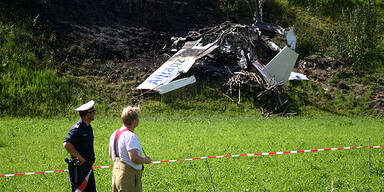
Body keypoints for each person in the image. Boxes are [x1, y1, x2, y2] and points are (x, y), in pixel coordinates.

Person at [109, 106, 151, 192]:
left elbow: (111, 154)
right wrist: (145, 160)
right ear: (134, 120)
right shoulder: (130, 136)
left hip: (116, 174)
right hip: (128, 177)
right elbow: (134, 158)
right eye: (138, 118)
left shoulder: (114, 133)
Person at [64, 100, 97, 192]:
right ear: (87, 115)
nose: (94, 113)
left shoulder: (89, 127)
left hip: (88, 167)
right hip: (79, 168)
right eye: (93, 112)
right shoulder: (77, 129)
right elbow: (66, 144)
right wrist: (80, 157)